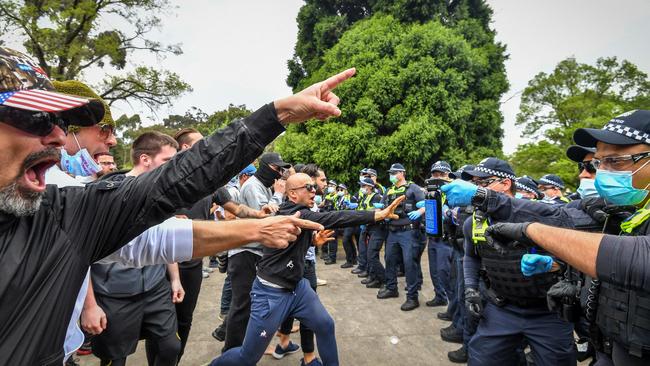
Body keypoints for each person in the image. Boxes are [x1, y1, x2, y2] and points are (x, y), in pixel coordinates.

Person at [0, 44, 356, 365]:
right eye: (37, 118)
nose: (58, 136)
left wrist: (277, 115)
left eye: (60, 123)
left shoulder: (57, 215)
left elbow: (171, 190)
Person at [482, 110, 650, 365]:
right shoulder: (619, 211)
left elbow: (638, 258)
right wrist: (564, 270)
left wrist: (531, 230)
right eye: (597, 163)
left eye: (615, 162)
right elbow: (559, 215)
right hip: (612, 347)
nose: (592, 173)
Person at [211, 173, 405, 366]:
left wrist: (312, 242)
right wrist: (375, 215)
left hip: (297, 288)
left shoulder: (299, 212)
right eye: (308, 187)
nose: (315, 190)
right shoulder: (296, 212)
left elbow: (290, 245)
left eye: (314, 186)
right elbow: (334, 217)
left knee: (325, 325)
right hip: (271, 295)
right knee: (247, 357)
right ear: (293, 194)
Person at [441, 157, 598, 366]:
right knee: (481, 360)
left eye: (483, 183)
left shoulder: (537, 214)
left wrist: (554, 263)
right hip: (501, 309)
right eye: (474, 184)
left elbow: (573, 251)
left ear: (506, 183)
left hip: (548, 312)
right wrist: (470, 289)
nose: (476, 189)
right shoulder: (474, 222)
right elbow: (470, 257)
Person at [224, 152, 292, 351]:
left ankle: (242, 348)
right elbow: (266, 219)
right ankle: (230, 353)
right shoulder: (254, 186)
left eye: (281, 169)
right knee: (241, 306)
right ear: (265, 167)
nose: (279, 173)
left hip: (254, 253)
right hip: (245, 253)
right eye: (276, 169)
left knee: (249, 306)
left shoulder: (264, 187)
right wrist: (279, 194)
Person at [377, 163, 426, 311]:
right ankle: (392, 288)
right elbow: (382, 206)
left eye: (394, 173)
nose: (391, 175)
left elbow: (426, 205)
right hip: (392, 231)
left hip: (408, 232)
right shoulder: (389, 190)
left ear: (402, 173)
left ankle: (412, 297)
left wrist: (420, 211)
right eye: (390, 173)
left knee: (409, 263)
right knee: (389, 260)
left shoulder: (413, 188)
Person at [426, 161, 454, 308]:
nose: (438, 177)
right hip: (433, 237)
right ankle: (440, 296)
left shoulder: (454, 192)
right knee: (434, 271)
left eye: (442, 174)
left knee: (445, 272)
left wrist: (449, 213)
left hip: (446, 240)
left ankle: (452, 305)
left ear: (449, 175)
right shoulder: (431, 192)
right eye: (435, 174)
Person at [357, 177, 385, 288]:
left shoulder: (377, 197)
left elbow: (378, 211)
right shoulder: (365, 197)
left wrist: (363, 214)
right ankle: (374, 277)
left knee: (372, 255)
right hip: (368, 228)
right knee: (369, 254)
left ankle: (384, 280)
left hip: (377, 228)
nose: (361, 188)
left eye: (363, 186)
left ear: (370, 187)